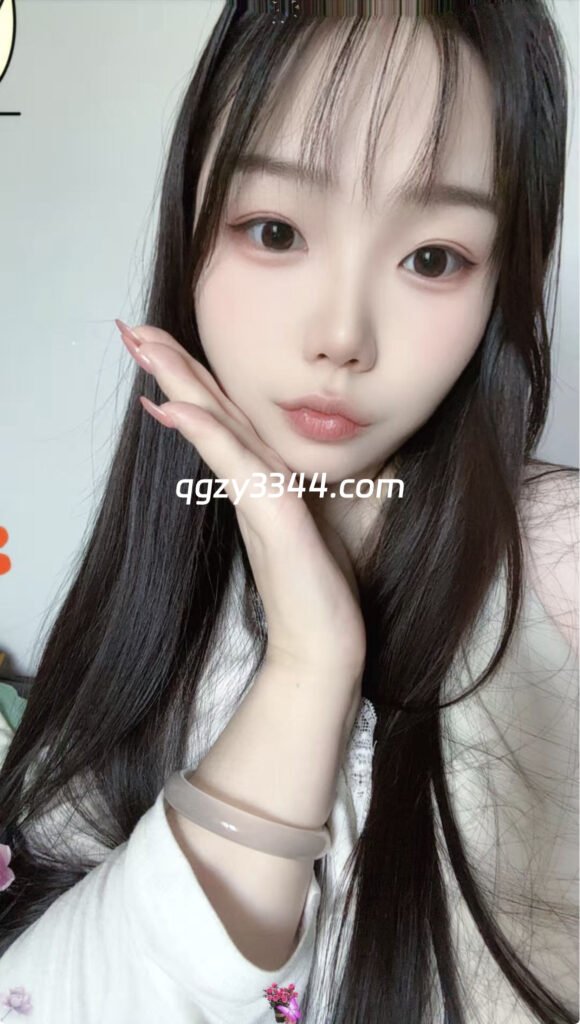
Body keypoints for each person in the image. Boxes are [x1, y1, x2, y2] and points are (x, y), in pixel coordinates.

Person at [0, 2, 577, 1022]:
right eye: (276, 231)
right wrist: (310, 664)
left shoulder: (559, 567)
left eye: (433, 257)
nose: (341, 334)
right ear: (190, 224)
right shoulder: (167, 577)